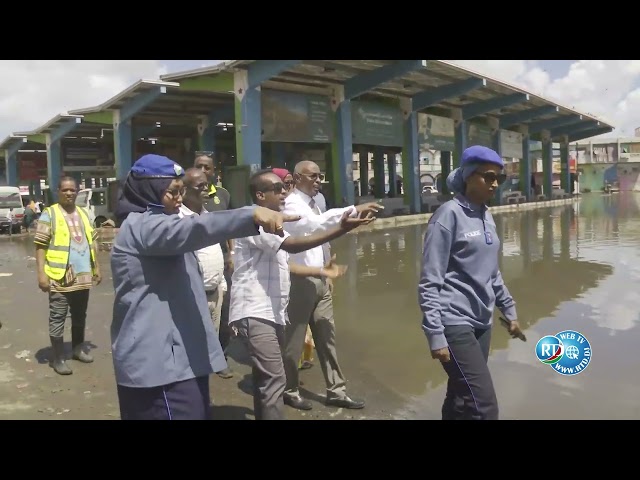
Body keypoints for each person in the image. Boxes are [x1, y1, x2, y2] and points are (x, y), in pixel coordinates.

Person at [110, 154, 299, 421]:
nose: (179, 198)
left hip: (178, 359)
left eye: (181, 191)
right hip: (160, 368)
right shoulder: (143, 226)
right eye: (172, 192)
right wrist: (251, 215)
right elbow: (197, 228)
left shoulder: (159, 225)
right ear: (149, 192)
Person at [229, 169, 373, 420]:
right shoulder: (256, 222)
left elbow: (289, 261)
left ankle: (333, 390)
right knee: (275, 377)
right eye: (278, 189)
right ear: (260, 195)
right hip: (255, 310)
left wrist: (324, 270)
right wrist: (342, 227)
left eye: (284, 188)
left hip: (273, 309)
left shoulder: (284, 218)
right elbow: (296, 243)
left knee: (271, 378)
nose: (284, 192)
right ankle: (289, 393)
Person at [418, 145, 524, 421]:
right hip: (454, 322)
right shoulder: (448, 216)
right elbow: (430, 281)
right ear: (467, 176)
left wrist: (509, 311)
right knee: (483, 406)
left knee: (461, 396)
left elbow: (492, 273)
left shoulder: (486, 215)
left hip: (482, 322)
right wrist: (435, 334)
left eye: (498, 178)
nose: (494, 183)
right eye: (487, 176)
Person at [281, 160, 383, 411]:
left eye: (320, 176)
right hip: (300, 281)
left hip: (321, 279)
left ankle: (336, 391)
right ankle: (290, 389)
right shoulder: (292, 204)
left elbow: (323, 235)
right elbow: (313, 227)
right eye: (313, 177)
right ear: (297, 178)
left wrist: (329, 265)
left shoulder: (318, 202)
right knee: (294, 341)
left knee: (327, 337)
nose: (318, 181)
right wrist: (352, 209)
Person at [34, 176, 101, 376]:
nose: (69, 193)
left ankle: (78, 349)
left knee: (80, 315)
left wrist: (96, 267)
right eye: (65, 190)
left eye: (73, 190)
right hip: (59, 276)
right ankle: (57, 358)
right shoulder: (49, 214)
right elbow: (40, 246)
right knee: (58, 317)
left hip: (82, 276)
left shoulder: (83, 213)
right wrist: (41, 275)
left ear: (77, 191)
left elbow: (92, 242)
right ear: (58, 191)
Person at [194, 153, 235, 379]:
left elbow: (229, 225)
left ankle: (221, 358)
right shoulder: (186, 196)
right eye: (198, 166)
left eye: (206, 167)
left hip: (219, 266)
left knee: (224, 313)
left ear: (213, 170)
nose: (203, 170)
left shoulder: (223, 195)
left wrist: (232, 252)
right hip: (194, 268)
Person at [179, 168, 227, 337]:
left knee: (212, 341)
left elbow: (215, 249)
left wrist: (221, 284)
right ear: (184, 191)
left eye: (207, 185)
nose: (206, 189)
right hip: (192, 298)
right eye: (200, 186)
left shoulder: (208, 216)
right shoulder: (179, 220)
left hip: (215, 294)